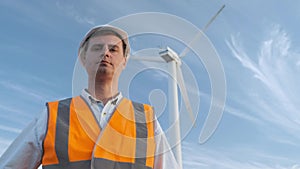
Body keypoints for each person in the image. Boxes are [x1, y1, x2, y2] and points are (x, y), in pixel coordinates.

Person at [0, 25, 180, 169]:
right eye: (97, 48)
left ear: (125, 61)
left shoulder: (146, 120)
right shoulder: (52, 115)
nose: (106, 53)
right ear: (83, 58)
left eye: (114, 49)